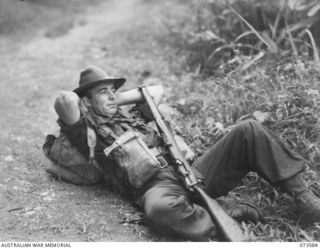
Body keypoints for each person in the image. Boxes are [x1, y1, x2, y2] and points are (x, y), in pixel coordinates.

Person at [46, 65, 320, 241]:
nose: (111, 97)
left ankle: (305, 199)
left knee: (248, 129)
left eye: (112, 91)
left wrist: (111, 97)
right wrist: (88, 102)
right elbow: (65, 100)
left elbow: (156, 90)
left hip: (193, 170)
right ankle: (221, 213)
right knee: (160, 211)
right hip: (158, 187)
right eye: (102, 93)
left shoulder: (130, 113)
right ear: (86, 101)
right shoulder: (85, 131)